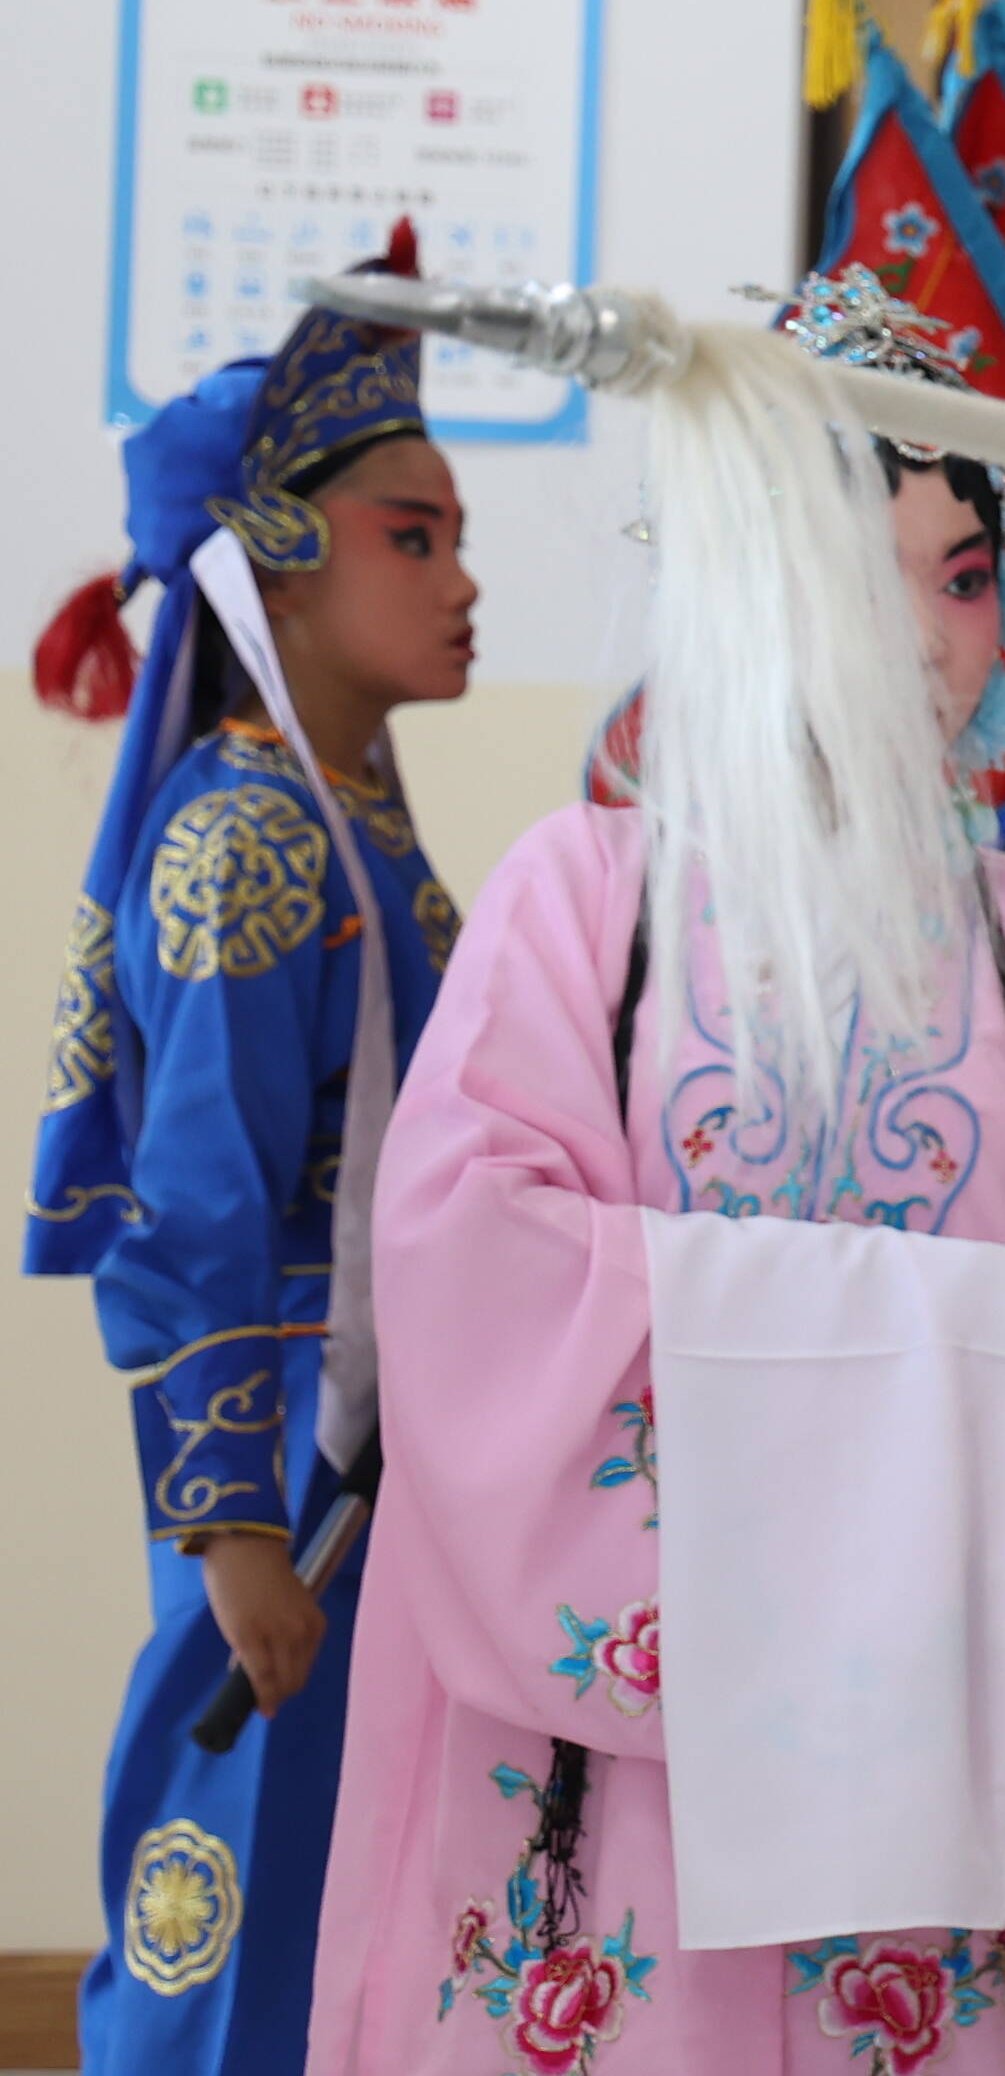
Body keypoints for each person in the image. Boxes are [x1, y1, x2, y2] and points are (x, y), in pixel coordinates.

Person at [305, 273, 1005, 2071]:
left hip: (927, 1755)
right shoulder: (586, 902)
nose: (923, 635)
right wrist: (975, 1374)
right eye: (857, 571)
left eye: (963, 576)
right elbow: (469, 1264)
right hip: (630, 1785)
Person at [29, 239, 470, 2074]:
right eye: (412, 537)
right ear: (277, 556)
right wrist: (230, 1525)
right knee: (240, 1891)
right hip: (292, 1450)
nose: (462, 582)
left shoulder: (348, 819)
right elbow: (197, 1203)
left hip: (372, 1443)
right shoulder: (246, 842)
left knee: (347, 1902)